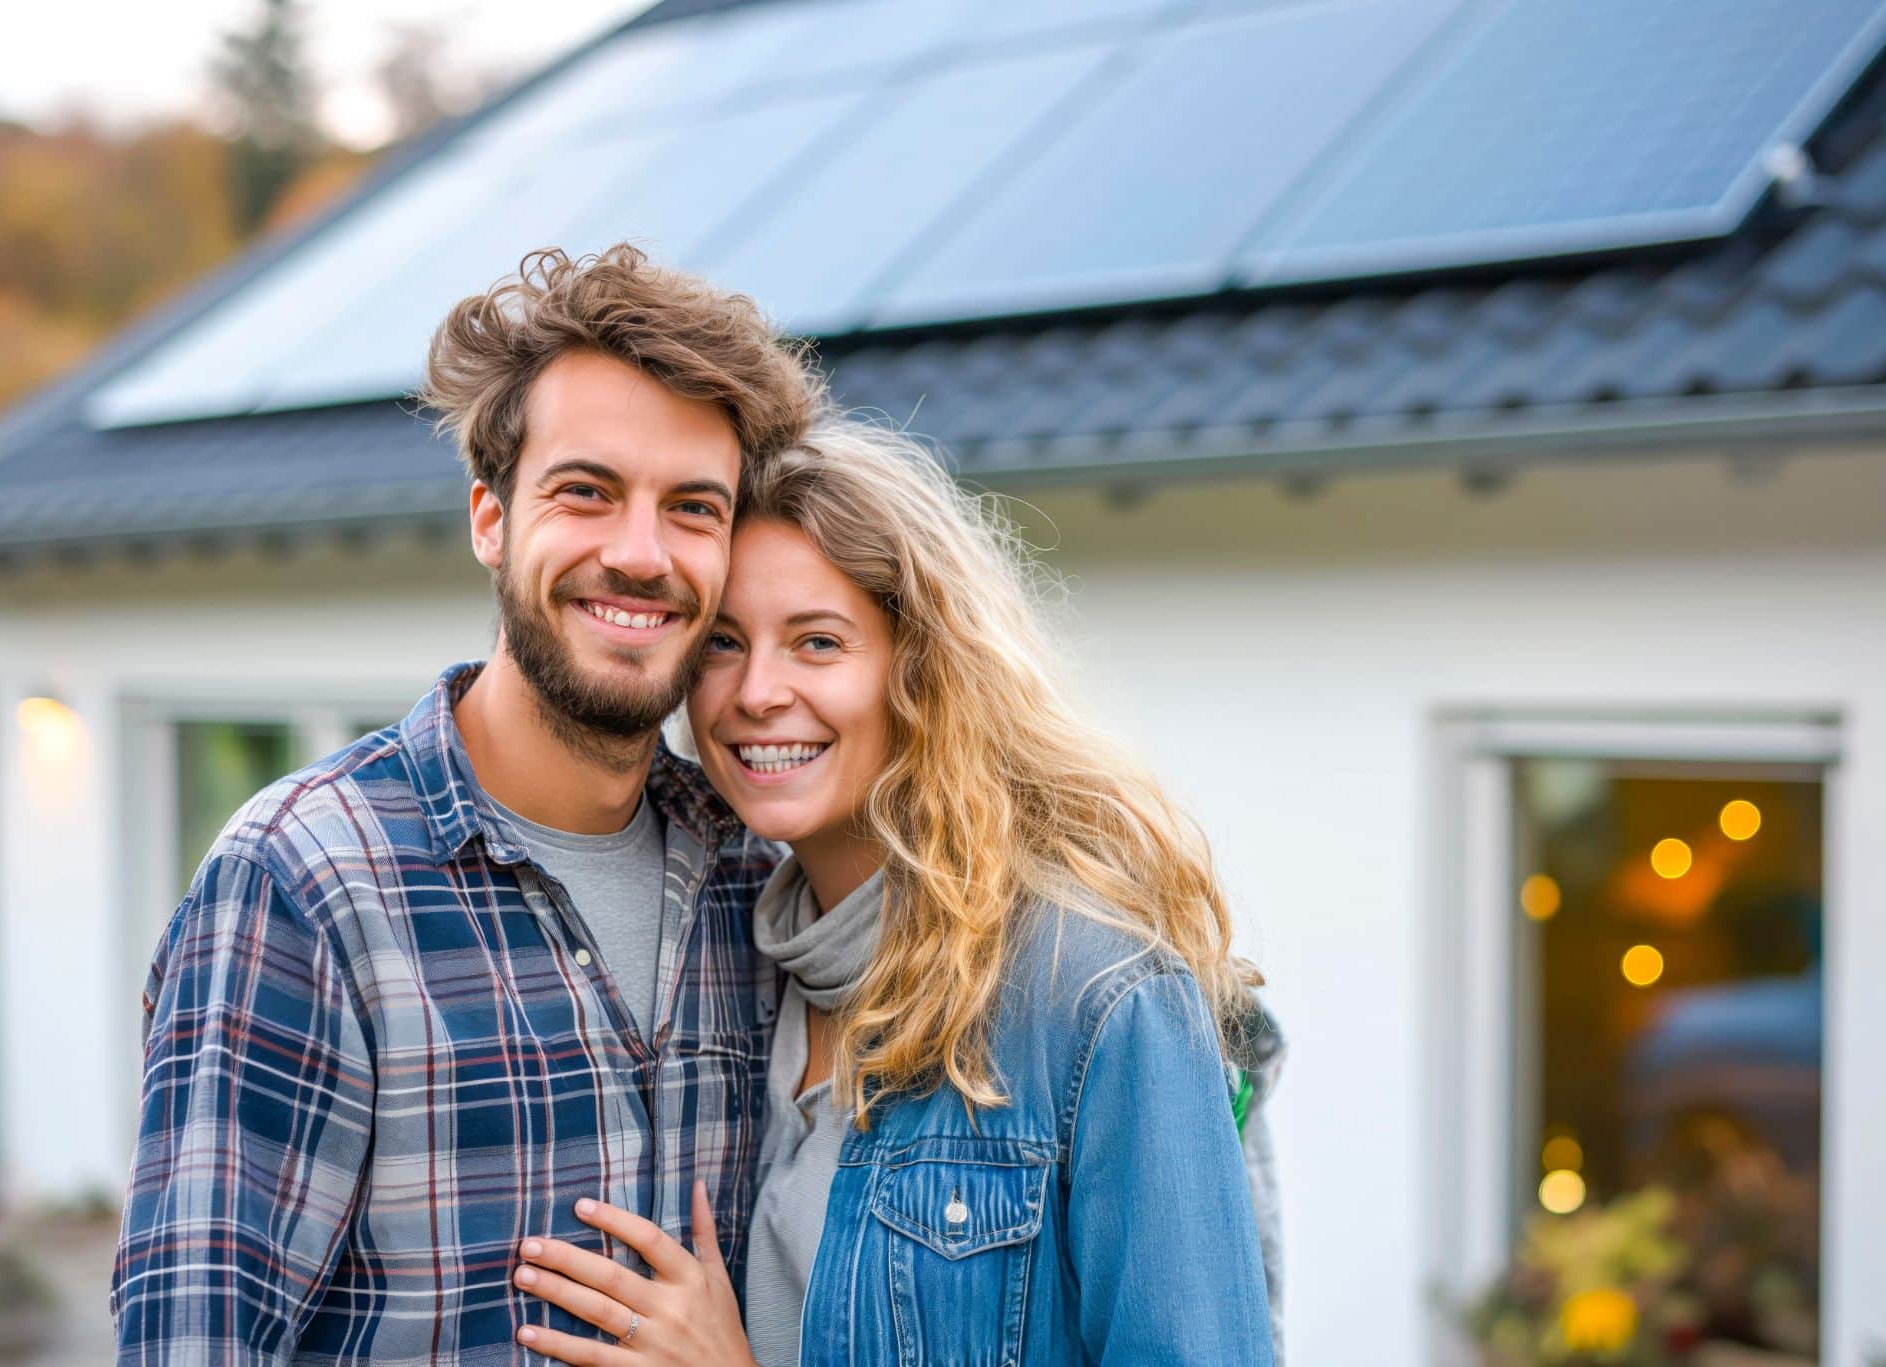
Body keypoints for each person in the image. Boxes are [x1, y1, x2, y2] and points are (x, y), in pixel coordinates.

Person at [110, 244, 822, 1363]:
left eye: (692, 507)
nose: (640, 554)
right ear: (490, 519)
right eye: (585, 491)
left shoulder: (759, 878)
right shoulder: (303, 883)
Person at [509, 416, 1279, 1365]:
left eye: (818, 642)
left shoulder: (1096, 996)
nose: (756, 692)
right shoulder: (739, 966)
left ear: (924, 673)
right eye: (721, 644)